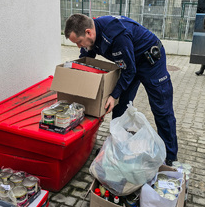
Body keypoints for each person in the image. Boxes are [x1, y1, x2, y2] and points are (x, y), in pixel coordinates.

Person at [64, 14, 178, 166]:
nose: (79, 46)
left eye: (78, 42)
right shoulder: (92, 33)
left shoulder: (116, 35)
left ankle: (169, 155)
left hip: (150, 61)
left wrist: (113, 94)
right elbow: (87, 56)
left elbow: (129, 71)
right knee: (120, 106)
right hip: (128, 62)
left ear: (88, 32)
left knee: (161, 108)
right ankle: (118, 148)